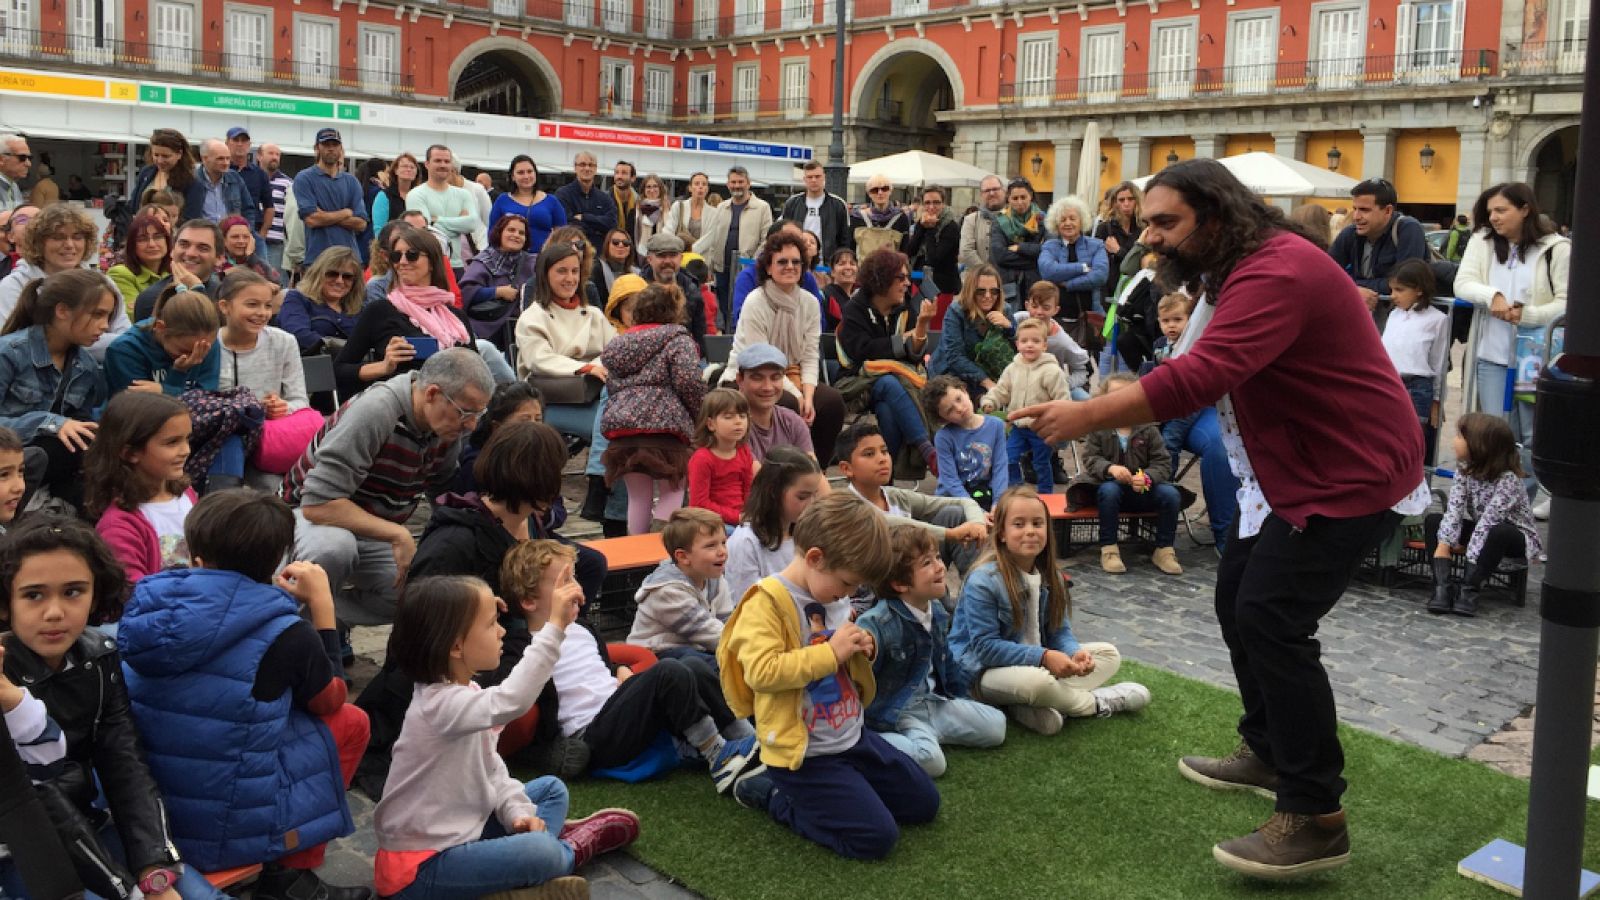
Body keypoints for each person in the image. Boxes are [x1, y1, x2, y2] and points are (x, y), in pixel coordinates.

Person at [1017, 158, 1429, 878]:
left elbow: (1198, 376)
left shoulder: (1277, 270)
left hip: (1347, 472)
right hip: (1291, 470)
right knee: (1237, 595)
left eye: (1165, 222)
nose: (1151, 236)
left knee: (1271, 616)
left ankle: (1317, 815)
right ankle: (1269, 749)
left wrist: (1085, 414)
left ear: (1214, 216)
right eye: (1148, 221)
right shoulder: (1239, 265)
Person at [117, 490, 371, 900]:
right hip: (223, 829)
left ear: (196, 558)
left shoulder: (146, 606)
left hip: (141, 813)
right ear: (278, 561)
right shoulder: (288, 633)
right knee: (352, 722)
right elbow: (330, 700)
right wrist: (323, 609)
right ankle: (291, 874)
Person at [0, 516, 231, 900]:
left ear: (95, 595)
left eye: (73, 592)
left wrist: (154, 867)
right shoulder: (4, 679)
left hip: (89, 826)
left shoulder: (98, 657)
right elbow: (38, 795)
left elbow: (124, 762)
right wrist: (125, 889)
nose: (55, 612)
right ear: (6, 603)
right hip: (21, 851)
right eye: (34, 595)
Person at [372, 572, 638, 899]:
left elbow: (493, 771)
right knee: (540, 852)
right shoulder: (440, 706)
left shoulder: (465, 693)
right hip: (422, 869)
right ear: (456, 646)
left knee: (551, 790)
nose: (502, 631)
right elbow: (514, 698)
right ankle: (569, 851)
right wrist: (554, 626)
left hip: (464, 831)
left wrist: (519, 816)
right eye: (491, 624)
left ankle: (525, 866)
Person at [717, 491, 940, 858]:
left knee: (924, 803)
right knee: (876, 838)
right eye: (848, 583)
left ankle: (847, 791)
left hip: (851, 738)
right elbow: (761, 672)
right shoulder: (766, 602)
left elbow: (837, 652)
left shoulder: (829, 591)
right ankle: (771, 793)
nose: (850, 594)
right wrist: (831, 652)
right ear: (815, 558)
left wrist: (862, 646)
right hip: (805, 755)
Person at [504, 540, 761, 785]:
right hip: (592, 735)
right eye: (563, 583)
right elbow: (514, 691)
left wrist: (620, 670)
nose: (575, 588)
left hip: (619, 711)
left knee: (693, 665)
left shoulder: (582, 628)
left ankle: (747, 739)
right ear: (529, 601)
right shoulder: (522, 646)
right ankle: (717, 754)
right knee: (668, 671)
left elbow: (594, 667)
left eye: (573, 578)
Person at [286, 348, 494, 625]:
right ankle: (299, 632)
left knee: (419, 595)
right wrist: (398, 534)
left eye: (479, 413)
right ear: (432, 394)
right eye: (466, 412)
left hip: (369, 527)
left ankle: (316, 619)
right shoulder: (377, 409)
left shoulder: (445, 426)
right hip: (308, 516)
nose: (471, 425)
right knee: (335, 548)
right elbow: (317, 504)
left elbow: (442, 491)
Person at [948, 485, 1150, 736]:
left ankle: (1026, 704)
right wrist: (1044, 657)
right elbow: (985, 648)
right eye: (1019, 524)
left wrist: (1074, 653)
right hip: (982, 673)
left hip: (1033, 665)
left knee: (1109, 655)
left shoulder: (1052, 576)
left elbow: (1059, 631)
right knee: (1038, 682)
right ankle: (1095, 703)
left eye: (1037, 523)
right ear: (1001, 534)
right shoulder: (984, 581)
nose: (1030, 531)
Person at [857, 524, 1007, 777]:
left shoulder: (935, 610)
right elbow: (861, 684)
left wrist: (960, 700)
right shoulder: (876, 624)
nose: (940, 566)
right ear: (899, 583)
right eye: (927, 563)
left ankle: (928, 735)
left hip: (934, 702)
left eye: (937, 557)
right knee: (933, 763)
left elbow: (947, 663)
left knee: (997, 727)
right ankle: (867, 744)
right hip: (900, 711)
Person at [1453, 181, 1569, 496]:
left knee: (1531, 436)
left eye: (1501, 210)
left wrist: (1527, 314)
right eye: (1490, 211)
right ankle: (1494, 499)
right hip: (1492, 354)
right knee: (1494, 434)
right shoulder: (1482, 241)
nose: (1494, 217)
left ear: (1525, 209)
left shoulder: (1556, 248)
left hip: (1535, 357)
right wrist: (1493, 296)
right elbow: (1463, 283)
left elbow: (1566, 302)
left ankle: (1521, 502)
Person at [720, 231, 844, 465]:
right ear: (768, 267)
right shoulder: (756, 301)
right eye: (782, 262)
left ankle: (814, 471)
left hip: (793, 373)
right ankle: (779, 472)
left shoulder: (810, 302)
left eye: (796, 262)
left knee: (831, 402)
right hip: (751, 375)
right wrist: (798, 397)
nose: (790, 267)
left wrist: (808, 397)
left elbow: (810, 355)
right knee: (787, 402)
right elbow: (761, 360)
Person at [0, 269, 112, 514]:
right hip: (13, 458)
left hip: (58, 469)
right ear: (62, 311)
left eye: (108, 316)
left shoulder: (86, 366)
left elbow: (80, 423)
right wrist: (49, 422)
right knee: (48, 451)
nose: (105, 326)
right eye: (97, 314)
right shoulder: (9, 353)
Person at [599, 282, 705, 534]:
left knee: (638, 497)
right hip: (667, 429)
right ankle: (659, 545)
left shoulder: (620, 344)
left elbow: (612, 384)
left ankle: (636, 551)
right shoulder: (678, 340)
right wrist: (699, 413)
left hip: (623, 429)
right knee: (673, 489)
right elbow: (688, 381)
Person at [1064, 371, 1184, 575]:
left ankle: (1164, 550)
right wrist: (1110, 468)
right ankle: (1109, 549)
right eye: (1114, 395)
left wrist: (1147, 477)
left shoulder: (1149, 428)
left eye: (1126, 394)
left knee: (1171, 494)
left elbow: (1163, 462)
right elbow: (1091, 458)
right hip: (1107, 488)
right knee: (1109, 491)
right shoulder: (1099, 427)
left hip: (1143, 490)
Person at [334, 227, 478, 397]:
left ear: (432, 262)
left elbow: (476, 371)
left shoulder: (455, 316)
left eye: (412, 255)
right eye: (396, 256)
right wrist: (383, 366)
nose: (402, 262)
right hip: (403, 402)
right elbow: (340, 370)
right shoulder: (380, 311)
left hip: (453, 401)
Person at [1426, 413, 1542, 617]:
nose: (1454, 440)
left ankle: (1469, 590)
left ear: (1479, 445)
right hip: (1483, 533)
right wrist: (1444, 544)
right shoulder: (1464, 471)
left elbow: (1488, 523)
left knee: (1499, 532)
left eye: (1460, 436)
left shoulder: (1508, 481)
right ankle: (1442, 587)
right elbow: (1454, 510)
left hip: (1513, 538)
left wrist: (1471, 556)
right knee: (1434, 521)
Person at [835, 248, 939, 474]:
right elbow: (862, 352)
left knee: (887, 410)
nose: (907, 283)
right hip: (855, 384)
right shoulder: (855, 309)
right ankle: (927, 449)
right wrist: (901, 341)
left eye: (907, 277)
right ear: (881, 279)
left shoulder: (905, 308)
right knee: (887, 382)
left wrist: (921, 326)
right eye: (900, 278)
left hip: (892, 387)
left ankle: (884, 478)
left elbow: (914, 357)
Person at [837, 421, 988, 574]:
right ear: (846, 468)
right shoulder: (845, 505)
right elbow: (889, 524)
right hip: (875, 582)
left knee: (954, 513)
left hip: (914, 574)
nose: (882, 459)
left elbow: (964, 502)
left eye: (884, 451)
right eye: (869, 454)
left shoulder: (895, 496)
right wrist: (951, 534)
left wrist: (977, 523)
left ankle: (976, 584)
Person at [514, 240, 616, 445]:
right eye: (562, 271)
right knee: (614, 424)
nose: (570, 278)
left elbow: (616, 350)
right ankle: (598, 464)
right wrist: (587, 368)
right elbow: (539, 360)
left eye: (574, 271)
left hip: (596, 394)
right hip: (552, 401)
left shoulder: (593, 314)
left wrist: (597, 366)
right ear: (545, 275)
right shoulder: (533, 317)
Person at [84, 392, 194, 582]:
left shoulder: (188, 495)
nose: (186, 450)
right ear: (130, 453)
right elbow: (132, 590)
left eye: (187, 439)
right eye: (172, 442)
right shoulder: (118, 526)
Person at [0, 204, 131, 359]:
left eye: (77, 237)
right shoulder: (13, 285)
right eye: (58, 237)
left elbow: (126, 337)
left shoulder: (103, 283)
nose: (69, 245)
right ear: (38, 242)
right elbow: (15, 345)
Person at [628, 507, 733, 665]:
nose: (722, 551)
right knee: (712, 664)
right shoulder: (667, 590)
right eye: (711, 546)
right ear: (683, 556)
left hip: (696, 646)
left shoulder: (714, 578)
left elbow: (728, 621)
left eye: (723, 543)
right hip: (656, 654)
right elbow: (705, 630)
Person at [980, 317, 1069, 496]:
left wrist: (1058, 422)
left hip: (1041, 428)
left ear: (1044, 345)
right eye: (1024, 341)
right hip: (1018, 426)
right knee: (1008, 458)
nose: (1029, 345)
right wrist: (990, 402)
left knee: (1041, 463)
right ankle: (1016, 489)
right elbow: (1002, 390)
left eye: (1035, 341)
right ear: (1017, 344)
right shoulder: (1013, 368)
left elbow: (1062, 399)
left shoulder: (1051, 371)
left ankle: (1046, 495)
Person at [725, 446, 825, 602]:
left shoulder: (808, 534)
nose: (811, 504)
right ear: (773, 491)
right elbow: (745, 600)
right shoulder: (746, 542)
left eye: (815, 495)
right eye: (802, 497)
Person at [216, 269, 309, 418]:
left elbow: (300, 401)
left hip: (270, 427)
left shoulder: (284, 342)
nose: (262, 313)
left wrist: (282, 407)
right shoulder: (209, 345)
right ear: (225, 306)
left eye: (268, 306)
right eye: (252, 304)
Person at [1327, 177, 1429, 313]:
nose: (1356, 216)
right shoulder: (1350, 233)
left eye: (1364, 210)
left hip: (1404, 316)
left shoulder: (1408, 229)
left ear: (1388, 211)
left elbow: (1405, 283)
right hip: (1365, 314)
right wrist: (1355, 289)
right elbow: (1326, 275)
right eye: (1354, 209)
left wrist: (1351, 286)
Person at [1382, 259, 1450, 462]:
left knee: (1414, 442)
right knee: (1387, 440)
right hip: (1390, 383)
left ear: (1419, 289)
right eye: (1391, 290)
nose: (1393, 295)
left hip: (1418, 387)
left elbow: (1439, 362)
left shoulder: (1438, 320)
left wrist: (1436, 400)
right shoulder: (1394, 315)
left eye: (1399, 290)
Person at [693, 165, 772, 331]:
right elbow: (713, 238)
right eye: (733, 182)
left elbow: (767, 239)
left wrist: (753, 262)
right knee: (723, 308)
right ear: (728, 185)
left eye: (741, 182)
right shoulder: (722, 207)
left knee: (743, 307)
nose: (737, 186)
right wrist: (710, 265)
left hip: (747, 268)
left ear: (748, 183)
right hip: (722, 269)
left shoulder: (762, 207)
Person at [105, 287, 220, 396]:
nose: (195, 357)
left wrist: (165, 390)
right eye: (185, 351)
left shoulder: (205, 343)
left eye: (202, 350)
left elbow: (208, 399)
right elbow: (140, 406)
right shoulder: (125, 350)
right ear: (160, 328)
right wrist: (178, 375)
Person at [928, 263, 1014, 397]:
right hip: (952, 374)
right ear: (971, 291)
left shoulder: (1005, 310)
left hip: (992, 371)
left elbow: (1020, 347)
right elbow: (955, 357)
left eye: (994, 291)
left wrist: (1009, 327)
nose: (988, 296)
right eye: (981, 291)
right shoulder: (956, 311)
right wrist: (986, 382)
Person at [923, 374, 1007, 511]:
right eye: (950, 410)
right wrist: (975, 510)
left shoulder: (996, 426)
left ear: (964, 391)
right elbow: (950, 480)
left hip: (985, 493)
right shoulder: (944, 437)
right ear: (943, 419)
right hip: (955, 498)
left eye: (958, 399)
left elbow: (1000, 468)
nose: (959, 408)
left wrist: (998, 502)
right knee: (956, 513)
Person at [292, 128, 367, 268]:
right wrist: (345, 213)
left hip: (350, 259)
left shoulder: (351, 181)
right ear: (317, 148)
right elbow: (312, 220)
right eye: (326, 144)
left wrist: (324, 215)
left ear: (341, 149)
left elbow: (361, 223)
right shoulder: (304, 178)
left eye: (335, 144)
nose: (331, 148)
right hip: (318, 260)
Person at [459, 214, 538, 344]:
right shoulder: (483, 261)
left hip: (523, 330)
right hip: (487, 329)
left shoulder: (533, 262)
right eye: (511, 230)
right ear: (499, 233)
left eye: (521, 233)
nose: (516, 235)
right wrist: (497, 292)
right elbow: (466, 292)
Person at [731, 222, 823, 330]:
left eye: (798, 241)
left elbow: (819, 322)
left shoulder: (807, 279)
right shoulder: (749, 278)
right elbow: (742, 321)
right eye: (788, 240)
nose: (794, 245)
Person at [731, 343, 814, 462]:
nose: (768, 387)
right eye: (757, 378)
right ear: (740, 379)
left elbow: (813, 470)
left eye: (775, 377)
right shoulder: (731, 427)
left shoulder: (793, 422)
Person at [405, 146, 480, 273]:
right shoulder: (416, 195)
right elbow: (425, 231)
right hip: (430, 265)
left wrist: (437, 220)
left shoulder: (464, 194)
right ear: (427, 164)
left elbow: (472, 224)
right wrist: (459, 223)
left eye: (447, 161)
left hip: (457, 265)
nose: (443, 165)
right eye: (438, 161)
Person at [278, 247, 365, 356]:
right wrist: (344, 350)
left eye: (347, 276)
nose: (340, 281)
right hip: (312, 362)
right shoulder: (297, 298)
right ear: (318, 274)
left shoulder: (358, 309)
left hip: (354, 364)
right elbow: (298, 334)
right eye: (332, 274)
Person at [687, 387, 754, 527]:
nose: (738, 421)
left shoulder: (743, 451)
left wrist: (750, 514)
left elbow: (748, 490)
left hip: (742, 518)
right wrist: (737, 517)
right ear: (711, 424)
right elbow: (699, 504)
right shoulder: (702, 459)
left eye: (742, 416)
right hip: (712, 522)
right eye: (729, 417)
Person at [1014, 281, 1091, 400]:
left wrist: (1063, 385)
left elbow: (1084, 369)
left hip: (1050, 390)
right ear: (1027, 305)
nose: (1039, 312)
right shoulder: (1017, 320)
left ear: (1056, 310)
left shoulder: (1062, 341)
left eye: (1046, 308)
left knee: (1085, 400)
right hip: (1019, 383)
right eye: (1034, 306)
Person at [1038, 195, 1109, 321]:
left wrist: (1069, 284)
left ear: (1081, 221)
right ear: (1056, 224)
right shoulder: (1049, 246)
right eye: (1063, 220)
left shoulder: (1096, 245)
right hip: (1056, 318)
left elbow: (1100, 275)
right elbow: (1048, 271)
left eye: (1072, 218)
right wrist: (1082, 268)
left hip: (1090, 317)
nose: (1068, 223)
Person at [639, 232, 708, 351]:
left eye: (673, 255)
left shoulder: (691, 290)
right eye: (661, 256)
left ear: (680, 258)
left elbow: (699, 334)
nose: (667, 261)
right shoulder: (638, 288)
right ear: (649, 259)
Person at [781, 160, 851, 262]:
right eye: (810, 177)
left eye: (817, 176)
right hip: (798, 260)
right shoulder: (792, 203)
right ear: (804, 179)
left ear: (824, 177)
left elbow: (844, 239)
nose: (814, 180)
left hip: (828, 262)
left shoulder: (838, 204)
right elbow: (785, 234)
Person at [990, 179, 1045, 303]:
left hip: (1036, 284)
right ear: (1008, 199)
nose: (1020, 202)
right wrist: (1034, 258)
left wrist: (1020, 248)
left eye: (1023, 197)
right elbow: (1000, 256)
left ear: (1030, 196)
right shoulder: (999, 222)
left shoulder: (1043, 220)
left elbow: (1047, 251)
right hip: (1009, 285)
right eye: (1015, 198)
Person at [106, 212, 171, 317]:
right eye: (142, 239)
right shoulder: (120, 274)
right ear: (132, 245)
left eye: (158, 237)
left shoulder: (173, 273)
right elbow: (136, 316)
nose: (152, 244)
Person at [903, 186, 961, 298]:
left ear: (943, 204)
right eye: (927, 203)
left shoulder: (950, 226)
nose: (931, 207)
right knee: (915, 308)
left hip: (942, 284)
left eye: (936, 202)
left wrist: (930, 229)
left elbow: (933, 259)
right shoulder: (922, 222)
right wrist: (921, 227)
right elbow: (910, 251)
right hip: (918, 275)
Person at [130, 130, 201, 218]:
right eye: (156, 155)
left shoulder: (192, 182)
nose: (160, 161)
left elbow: (191, 218)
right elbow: (132, 205)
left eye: (165, 156)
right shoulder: (146, 172)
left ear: (179, 154)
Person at [555, 151, 618, 249]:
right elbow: (567, 225)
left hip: (599, 253)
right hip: (571, 252)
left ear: (596, 169)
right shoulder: (563, 194)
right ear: (575, 168)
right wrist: (598, 230)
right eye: (582, 164)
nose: (587, 168)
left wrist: (585, 217)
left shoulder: (605, 198)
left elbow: (612, 224)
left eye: (591, 165)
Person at [224, 127, 270, 237]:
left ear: (249, 145)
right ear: (227, 143)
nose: (240, 144)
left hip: (251, 231)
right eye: (236, 140)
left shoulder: (259, 174)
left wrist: (262, 234)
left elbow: (269, 207)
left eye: (244, 141)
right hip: (224, 230)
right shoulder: (222, 171)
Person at [192, 139, 250, 226]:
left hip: (231, 232)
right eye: (220, 159)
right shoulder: (192, 180)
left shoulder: (235, 178)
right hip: (202, 232)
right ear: (204, 158)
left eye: (228, 158)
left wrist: (247, 229)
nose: (226, 163)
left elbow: (248, 209)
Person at [850, 175, 910, 254]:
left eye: (885, 189)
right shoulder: (857, 217)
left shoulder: (901, 218)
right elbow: (851, 249)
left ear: (890, 191)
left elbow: (905, 250)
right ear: (869, 193)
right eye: (875, 190)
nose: (880, 193)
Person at [1094, 181, 1144, 275]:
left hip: (1135, 281)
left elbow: (1140, 263)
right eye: (1121, 200)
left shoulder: (1143, 228)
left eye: (1130, 199)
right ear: (1115, 203)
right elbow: (1097, 263)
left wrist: (1118, 251)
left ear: (1136, 201)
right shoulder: (1104, 228)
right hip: (1110, 281)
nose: (1126, 203)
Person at [958, 175, 1005, 270]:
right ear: (981, 195)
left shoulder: (1014, 218)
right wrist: (986, 272)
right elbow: (966, 251)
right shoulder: (971, 220)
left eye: (995, 189)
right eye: (987, 190)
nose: (991, 193)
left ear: (1004, 191)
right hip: (977, 275)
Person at [259, 143, 292, 279]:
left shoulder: (288, 183)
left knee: (274, 279)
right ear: (259, 156)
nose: (275, 157)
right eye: (270, 153)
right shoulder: (252, 179)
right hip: (253, 240)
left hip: (276, 242)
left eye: (277, 154)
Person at [218, 215, 280, 283]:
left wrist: (251, 256)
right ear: (223, 240)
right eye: (235, 237)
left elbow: (274, 283)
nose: (241, 241)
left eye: (246, 237)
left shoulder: (257, 262)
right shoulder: (216, 264)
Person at [372, 152, 420, 233]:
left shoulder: (419, 196)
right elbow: (379, 229)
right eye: (404, 166)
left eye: (412, 167)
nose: (409, 169)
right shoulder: (384, 196)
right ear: (395, 170)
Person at [663, 171, 712, 247]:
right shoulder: (678, 206)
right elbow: (668, 230)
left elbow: (710, 240)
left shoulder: (713, 213)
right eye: (697, 184)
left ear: (707, 189)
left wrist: (694, 249)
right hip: (678, 251)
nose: (700, 187)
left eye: (704, 184)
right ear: (690, 188)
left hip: (701, 253)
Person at [591, 227, 638, 299]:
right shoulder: (595, 269)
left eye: (626, 243)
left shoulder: (637, 273)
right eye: (615, 242)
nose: (621, 245)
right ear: (607, 245)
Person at [821, 247, 856, 332]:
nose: (848, 267)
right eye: (842, 264)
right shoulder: (826, 296)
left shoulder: (859, 298)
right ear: (832, 271)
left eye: (852, 263)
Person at [632, 174, 667, 248]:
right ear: (643, 190)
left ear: (660, 189)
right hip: (639, 252)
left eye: (655, 186)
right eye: (648, 187)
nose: (652, 190)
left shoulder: (668, 209)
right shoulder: (635, 210)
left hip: (663, 251)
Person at [0, 133, 30, 209]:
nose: (29, 164)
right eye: (22, 158)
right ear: (1, 159)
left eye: (29, 158)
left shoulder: (14, 186)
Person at [611, 160, 639, 236]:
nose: (619, 176)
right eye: (617, 173)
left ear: (633, 178)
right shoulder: (605, 200)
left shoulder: (639, 203)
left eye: (624, 173)